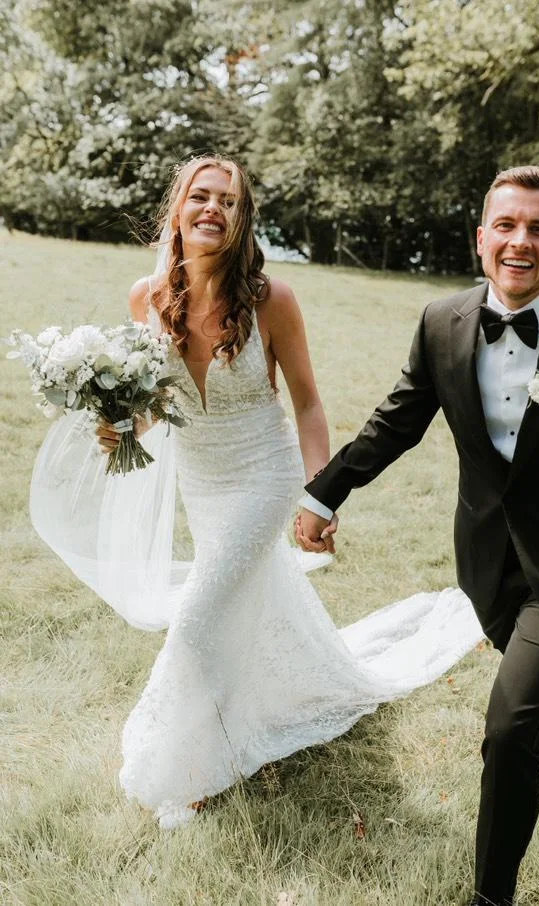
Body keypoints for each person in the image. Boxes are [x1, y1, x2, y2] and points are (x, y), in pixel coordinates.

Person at [32, 153, 482, 833]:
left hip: (263, 475)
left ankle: (186, 771)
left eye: (229, 200)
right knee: (246, 599)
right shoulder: (145, 298)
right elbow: (157, 407)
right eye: (201, 196)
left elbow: (308, 403)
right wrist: (119, 426)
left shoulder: (273, 300)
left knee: (198, 617)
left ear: (242, 219)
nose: (213, 209)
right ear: (178, 209)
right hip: (202, 481)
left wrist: (320, 495)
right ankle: (285, 690)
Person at [297, 165, 539, 906]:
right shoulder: (442, 320)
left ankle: (491, 896)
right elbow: (397, 420)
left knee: (507, 729)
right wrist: (323, 493)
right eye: (507, 225)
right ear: (481, 237)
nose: (520, 241)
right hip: (487, 557)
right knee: (530, 685)